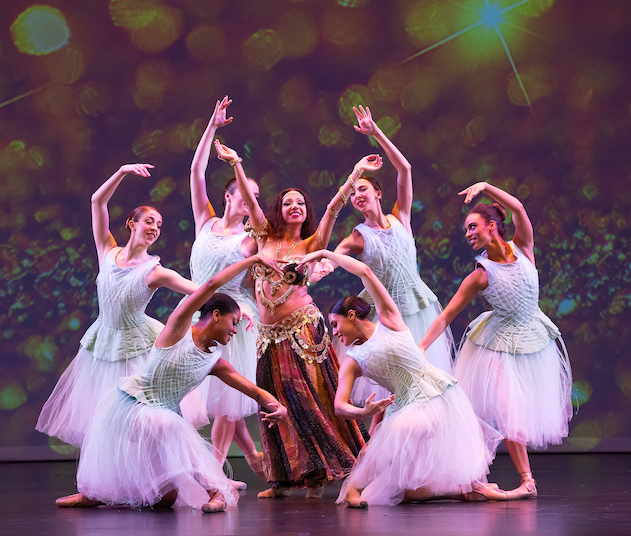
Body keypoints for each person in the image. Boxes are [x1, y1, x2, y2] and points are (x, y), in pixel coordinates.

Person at [214, 138, 380, 498]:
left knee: (310, 401)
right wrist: (236, 163)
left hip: (303, 329)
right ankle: (285, 478)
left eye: (301, 203)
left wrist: (356, 173)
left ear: (306, 211)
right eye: (288, 202)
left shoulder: (310, 244)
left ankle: (321, 476)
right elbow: (251, 199)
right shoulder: (264, 237)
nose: (295, 207)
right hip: (268, 335)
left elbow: (335, 207)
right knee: (274, 404)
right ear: (278, 209)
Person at [55, 255, 287, 513]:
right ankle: (216, 490)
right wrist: (253, 259)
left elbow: (253, 390)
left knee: (164, 499)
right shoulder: (178, 328)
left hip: (163, 419)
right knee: (168, 424)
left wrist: (276, 405)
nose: (235, 331)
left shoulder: (214, 362)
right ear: (216, 315)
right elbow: (210, 284)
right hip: (132, 406)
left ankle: (110, 496)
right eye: (234, 323)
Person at [299, 249, 506, 508]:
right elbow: (340, 405)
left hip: (438, 398)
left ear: (351, 315)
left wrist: (323, 252)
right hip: (407, 407)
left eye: (335, 324)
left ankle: (353, 487)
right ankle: (464, 490)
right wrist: (363, 410)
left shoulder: (390, 322)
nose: (335, 332)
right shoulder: (352, 359)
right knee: (397, 490)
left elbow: (364, 271)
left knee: (394, 430)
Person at [419, 182, 573, 500]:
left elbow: (518, 208)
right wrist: (421, 347)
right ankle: (521, 480)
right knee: (507, 412)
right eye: (465, 229)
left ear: (492, 227)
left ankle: (502, 480)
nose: (468, 233)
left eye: (472, 226)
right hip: (497, 346)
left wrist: (487, 187)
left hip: (533, 340)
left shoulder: (523, 247)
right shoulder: (481, 273)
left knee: (517, 412)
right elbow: (446, 315)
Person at [36, 164, 198, 448]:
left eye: (159, 225)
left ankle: (181, 477)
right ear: (132, 224)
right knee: (103, 419)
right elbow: (97, 201)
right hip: (104, 343)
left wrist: (236, 303)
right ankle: (97, 487)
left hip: (137, 346)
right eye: (149, 221)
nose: (155, 228)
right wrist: (122, 172)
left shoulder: (155, 271)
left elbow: (199, 289)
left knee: (151, 415)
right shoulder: (107, 252)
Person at [331, 105, 454, 434]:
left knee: (421, 386)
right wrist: (315, 266)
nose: (358, 195)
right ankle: (375, 452)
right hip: (386, 318)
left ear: (378, 194)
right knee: (389, 394)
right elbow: (333, 257)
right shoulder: (359, 236)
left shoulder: (401, 218)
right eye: (354, 192)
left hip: (417, 309)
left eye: (363, 189)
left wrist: (376, 133)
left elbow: (405, 168)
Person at [186, 97, 263, 485]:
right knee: (206, 397)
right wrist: (212, 126)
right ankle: (248, 456)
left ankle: (215, 474)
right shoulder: (206, 220)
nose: (252, 200)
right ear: (230, 195)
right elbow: (196, 172)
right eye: (246, 192)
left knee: (225, 404)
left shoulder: (249, 241)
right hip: (198, 312)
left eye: (257, 196)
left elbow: (260, 262)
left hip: (232, 317)